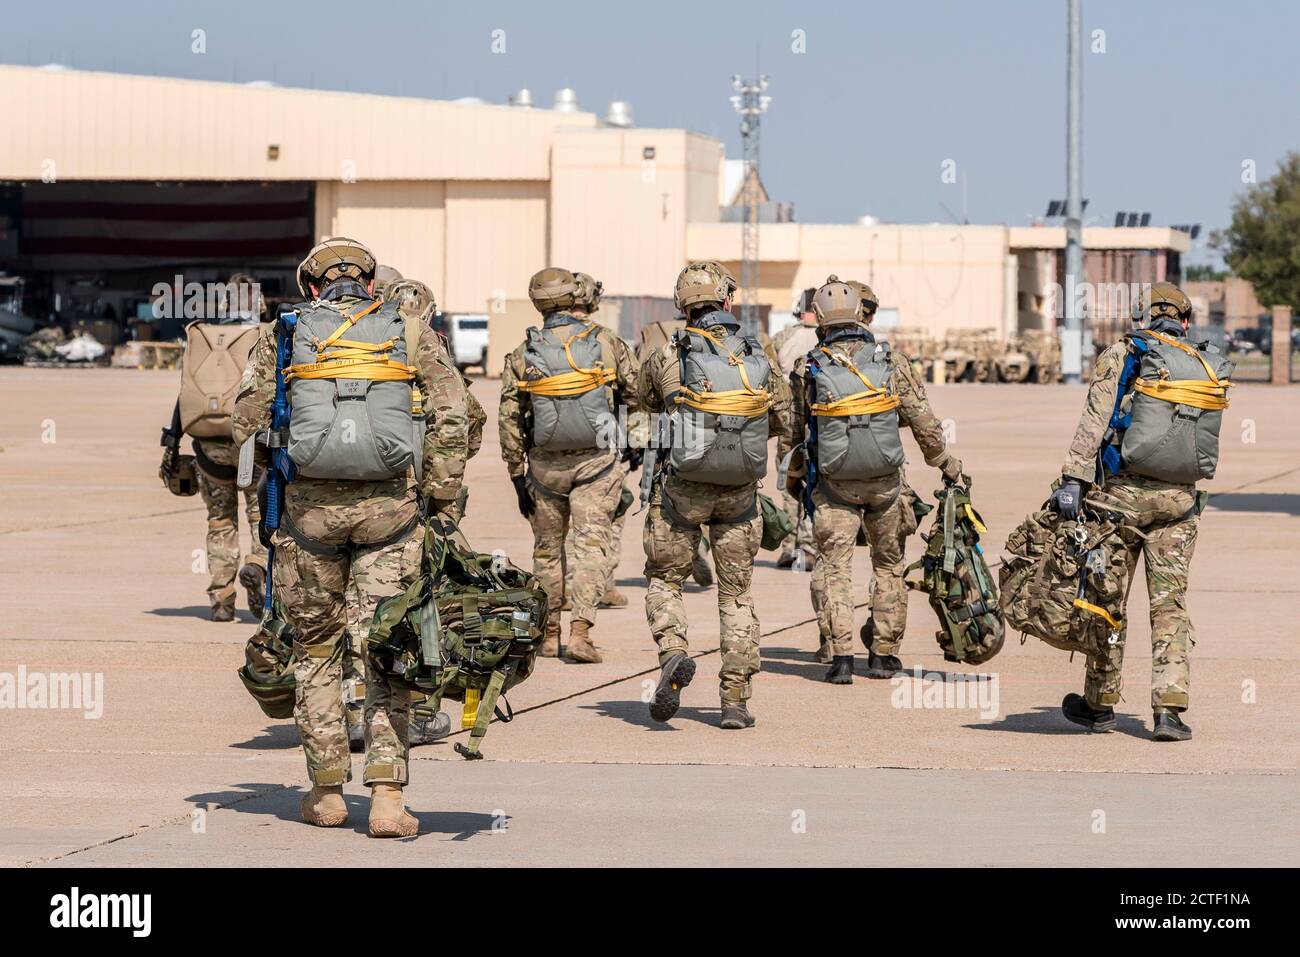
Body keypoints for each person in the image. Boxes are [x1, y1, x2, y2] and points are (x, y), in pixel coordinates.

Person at [232, 237, 470, 836]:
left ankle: (327, 792)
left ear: (311, 287)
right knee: (388, 648)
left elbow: (244, 419)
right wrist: (439, 496)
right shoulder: (411, 332)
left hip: (308, 519)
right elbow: (453, 416)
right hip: (392, 516)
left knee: (316, 651)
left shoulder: (284, 334)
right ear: (369, 283)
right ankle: (388, 799)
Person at [1051, 282, 1232, 742]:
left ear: (1143, 316)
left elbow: (1095, 417)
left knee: (1107, 600)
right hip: (1178, 501)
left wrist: (1073, 479)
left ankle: (1099, 703)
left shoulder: (1124, 353)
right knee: (1169, 604)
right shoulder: (1200, 361)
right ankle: (1169, 710)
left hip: (1121, 500)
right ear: (1185, 320)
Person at [780, 276, 964, 683]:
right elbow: (925, 424)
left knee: (834, 568)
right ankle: (882, 655)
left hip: (834, 485)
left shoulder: (807, 367)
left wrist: (795, 482)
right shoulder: (890, 361)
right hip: (885, 483)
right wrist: (948, 466)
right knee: (889, 566)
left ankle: (841, 658)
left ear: (822, 318)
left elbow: (793, 433)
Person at [639, 261, 791, 729]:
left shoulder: (668, 353)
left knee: (666, 581)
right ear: (728, 301)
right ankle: (734, 701)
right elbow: (784, 417)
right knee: (737, 594)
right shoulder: (756, 352)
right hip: (740, 494)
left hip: (681, 489)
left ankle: (673, 652)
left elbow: (644, 399)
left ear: (682, 304)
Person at [498, 267, 641, 663]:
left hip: (544, 469)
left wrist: (516, 475)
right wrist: (636, 440)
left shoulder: (523, 353)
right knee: (590, 547)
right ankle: (581, 634)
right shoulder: (606, 342)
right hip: (596, 463)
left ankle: (548, 635)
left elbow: (509, 418)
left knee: (547, 551)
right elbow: (636, 392)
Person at [174, 272, 268, 620]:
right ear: (258, 305)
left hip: (208, 444)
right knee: (261, 515)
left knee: (219, 520)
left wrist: (172, 443)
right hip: (251, 444)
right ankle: (258, 566)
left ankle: (221, 600)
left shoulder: (203, 338)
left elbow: (184, 394)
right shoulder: (266, 337)